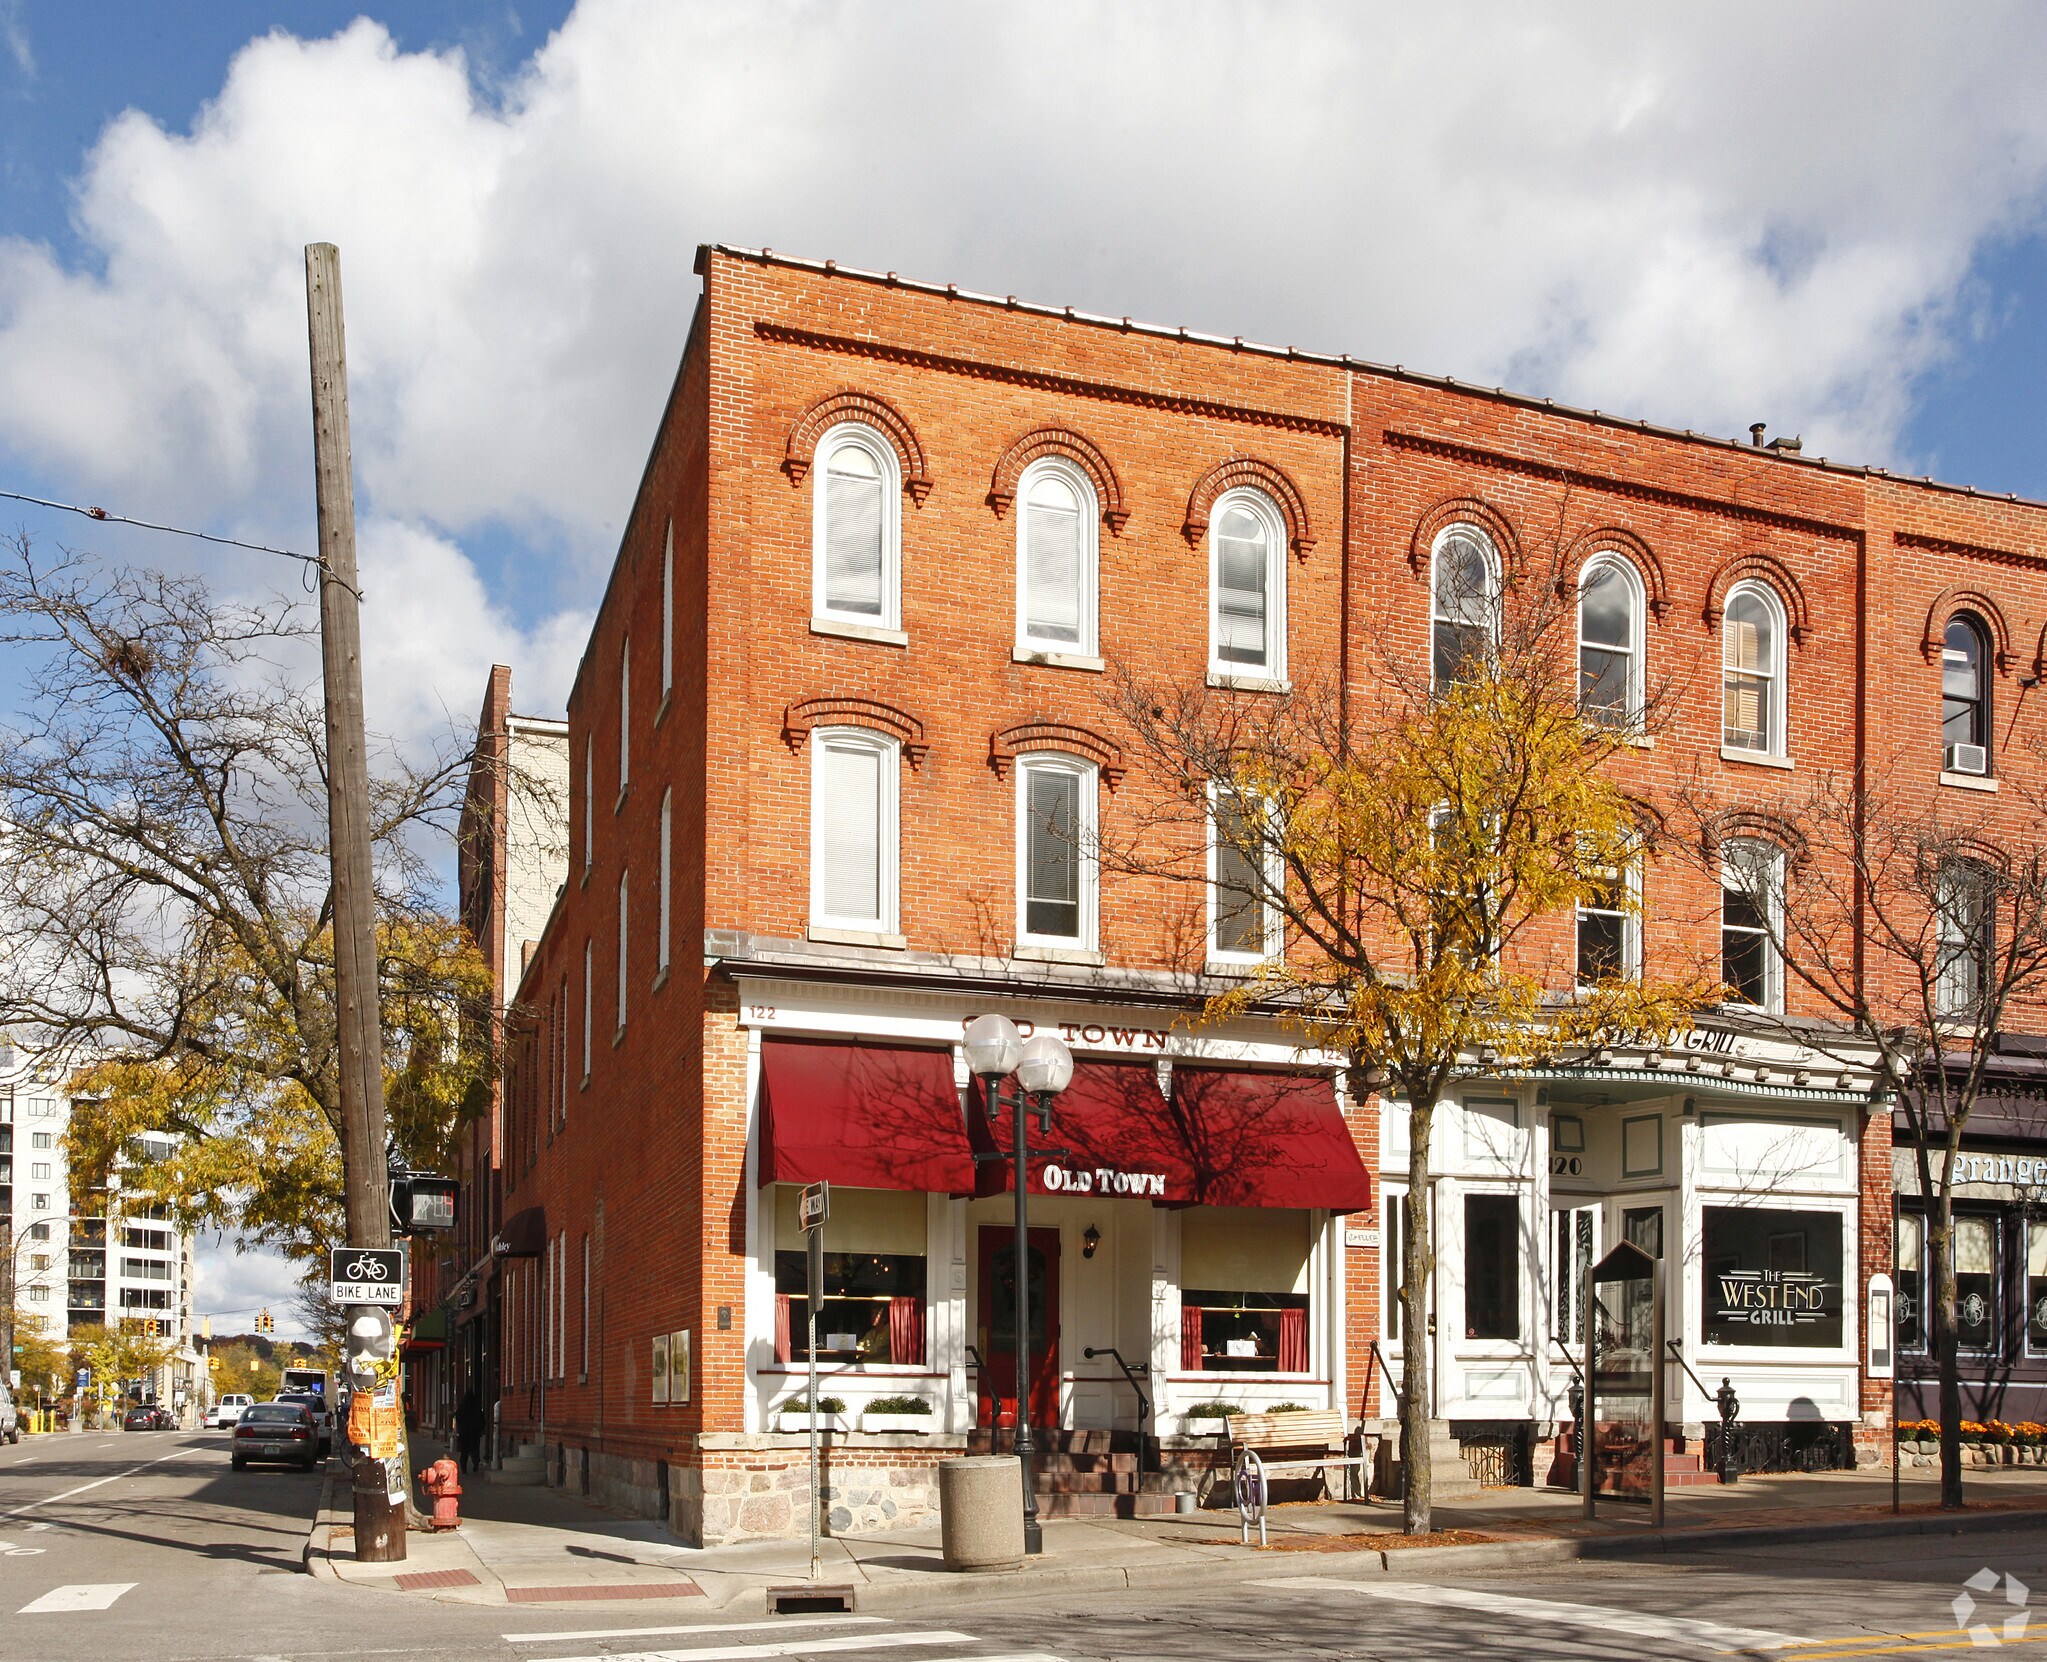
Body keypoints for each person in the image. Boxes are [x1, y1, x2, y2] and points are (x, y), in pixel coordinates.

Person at [455, 1388, 485, 1474]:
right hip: (474, 1432)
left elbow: (458, 1417)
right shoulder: (476, 1406)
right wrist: (481, 1429)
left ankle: (464, 1468)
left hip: (464, 1432)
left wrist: (460, 1427)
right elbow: (482, 1419)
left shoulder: (462, 1406)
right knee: (474, 1449)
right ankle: (475, 1463)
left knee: (464, 1450)